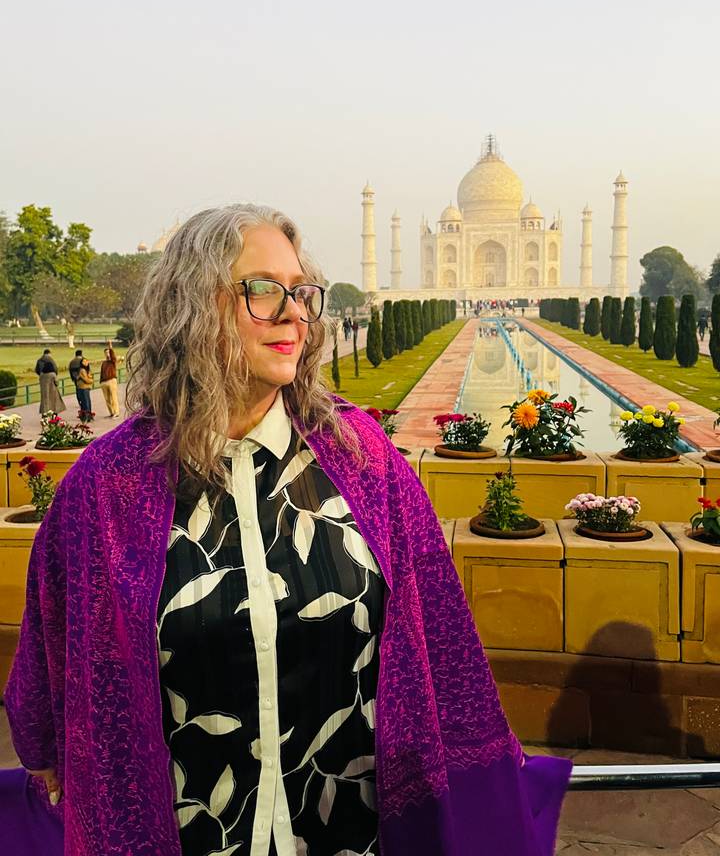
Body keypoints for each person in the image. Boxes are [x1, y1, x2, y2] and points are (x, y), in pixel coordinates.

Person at [3, 204, 570, 856]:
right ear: (194, 306)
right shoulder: (110, 487)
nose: (295, 313)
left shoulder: (362, 461)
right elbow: (49, 659)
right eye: (264, 290)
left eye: (300, 292)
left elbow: (442, 638)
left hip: (352, 838)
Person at [34, 348, 66, 416]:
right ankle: (54, 416)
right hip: (52, 390)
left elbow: (37, 370)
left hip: (44, 390)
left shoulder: (40, 362)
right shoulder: (51, 362)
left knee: (45, 402)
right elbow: (56, 379)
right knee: (54, 403)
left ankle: (44, 415)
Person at [99, 341, 121, 418]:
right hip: (104, 382)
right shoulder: (104, 363)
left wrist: (110, 346)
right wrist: (101, 382)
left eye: (108, 352)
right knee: (107, 399)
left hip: (111, 380)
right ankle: (111, 412)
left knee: (113, 397)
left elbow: (113, 356)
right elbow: (102, 372)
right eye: (106, 353)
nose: (107, 354)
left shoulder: (113, 361)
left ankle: (116, 412)